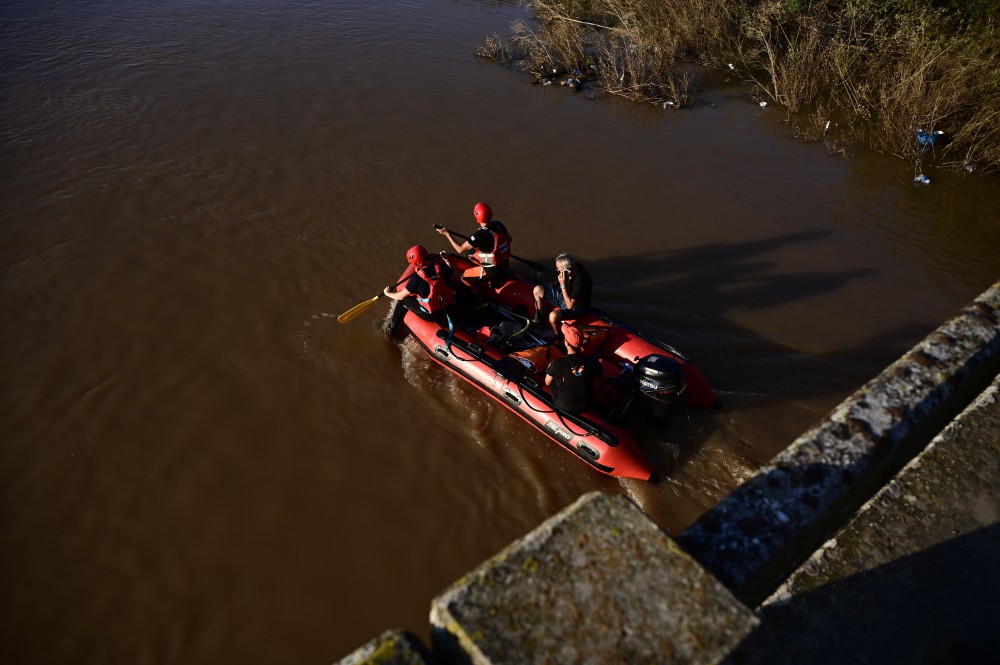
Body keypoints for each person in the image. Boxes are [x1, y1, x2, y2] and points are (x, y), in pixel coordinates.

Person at [384, 245, 457, 334]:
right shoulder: (440, 267)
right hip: (450, 306)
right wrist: (446, 260)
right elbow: (452, 270)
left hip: (433, 314)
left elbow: (400, 296)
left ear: (416, 263)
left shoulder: (417, 279)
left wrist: (387, 293)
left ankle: (391, 330)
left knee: (403, 301)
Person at [435, 202, 512, 283]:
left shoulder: (479, 235)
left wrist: (446, 234)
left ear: (477, 217)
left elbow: (460, 250)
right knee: (470, 253)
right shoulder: (498, 224)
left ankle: (476, 293)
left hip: (492, 272)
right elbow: (510, 240)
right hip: (505, 264)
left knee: (462, 276)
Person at [545, 323, 603, 415]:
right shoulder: (593, 361)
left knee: (552, 381)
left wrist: (550, 368)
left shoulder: (557, 363)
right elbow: (603, 379)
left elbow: (547, 382)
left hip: (563, 406)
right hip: (586, 405)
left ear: (566, 343)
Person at [532, 253, 593, 337]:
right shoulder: (573, 267)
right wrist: (554, 284)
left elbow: (569, 306)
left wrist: (563, 285)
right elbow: (561, 277)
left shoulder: (581, 280)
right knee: (537, 289)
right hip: (564, 296)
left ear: (567, 271)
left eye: (559, 269)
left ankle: (557, 335)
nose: (558, 271)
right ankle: (539, 318)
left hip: (576, 307)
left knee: (553, 316)